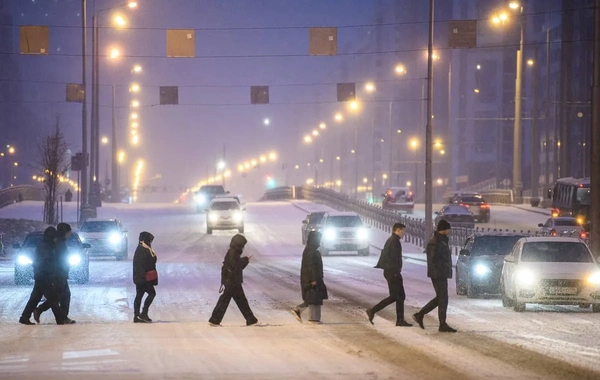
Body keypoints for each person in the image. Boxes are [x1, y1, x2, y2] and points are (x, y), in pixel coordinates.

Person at [412, 220, 457, 333]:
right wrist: (440, 269)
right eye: (448, 229)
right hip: (438, 274)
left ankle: (421, 315)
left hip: (440, 273)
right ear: (444, 229)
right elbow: (433, 259)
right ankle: (441, 324)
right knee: (443, 298)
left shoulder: (441, 240)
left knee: (441, 298)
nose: (449, 231)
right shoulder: (435, 241)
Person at [20, 227, 68, 325]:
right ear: (51, 237)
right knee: (53, 298)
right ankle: (61, 318)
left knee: (36, 298)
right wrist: (51, 274)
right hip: (44, 276)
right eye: (54, 237)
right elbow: (45, 262)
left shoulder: (47, 246)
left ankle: (25, 317)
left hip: (41, 276)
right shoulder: (45, 247)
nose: (56, 239)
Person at [366, 223, 412, 327]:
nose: (404, 234)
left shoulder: (393, 240)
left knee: (400, 296)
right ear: (398, 230)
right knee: (395, 296)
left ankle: (399, 319)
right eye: (403, 231)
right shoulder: (394, 241)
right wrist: (395, 271)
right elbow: (393, 258)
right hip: (393, 272)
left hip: (392, 271)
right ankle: (373, 310)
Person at [208, 234, 258, 327]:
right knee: (230, 301)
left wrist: (245, 260)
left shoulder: (233, 252)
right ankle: (215, 320)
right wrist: (245, 260)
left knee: (236, 301)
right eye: (243, 245)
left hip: (231, 281)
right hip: (232, 281)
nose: (243, 247)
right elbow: (236, 267)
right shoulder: (233, 253)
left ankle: (250, 319)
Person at [35, 223, 76, 324]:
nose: (69, 235)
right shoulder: (58, 243)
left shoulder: (59, 241)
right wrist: (57, 273)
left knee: (60, 296)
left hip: (60, 273)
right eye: (68, 232)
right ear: (64, 232)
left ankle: (61, 317)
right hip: (58, 274)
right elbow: (56, 259)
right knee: (60, 296)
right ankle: (60, 317)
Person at [291, 231, 328, 324]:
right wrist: (313, 279)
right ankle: (313, 318)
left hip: (313, 277)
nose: (319, 241)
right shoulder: (311, 251)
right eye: (318, 239)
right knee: (313, 296)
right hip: (312, 278)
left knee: (314, 296)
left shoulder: (310, 250)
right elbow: (311, 266)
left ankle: (313, 317)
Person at [133, 231, 158, 323]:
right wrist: (142, 277)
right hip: (143, 278)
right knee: (151, 294)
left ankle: (138, 315)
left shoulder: (144, 248)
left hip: (142, 277)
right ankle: (142, 314)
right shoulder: (142, 250)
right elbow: (143, 264)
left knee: (139, 295)